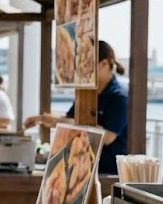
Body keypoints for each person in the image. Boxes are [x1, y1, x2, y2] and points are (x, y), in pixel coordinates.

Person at [25, 40, 128, 174]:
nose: (83, 71)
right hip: (84, 168)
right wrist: (41, 118)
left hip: (110, 173)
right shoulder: (89, 94)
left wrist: (59, 122)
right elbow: (70, 118)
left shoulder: (119, 97)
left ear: (104, 64)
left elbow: (107, 137)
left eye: (88, 66)